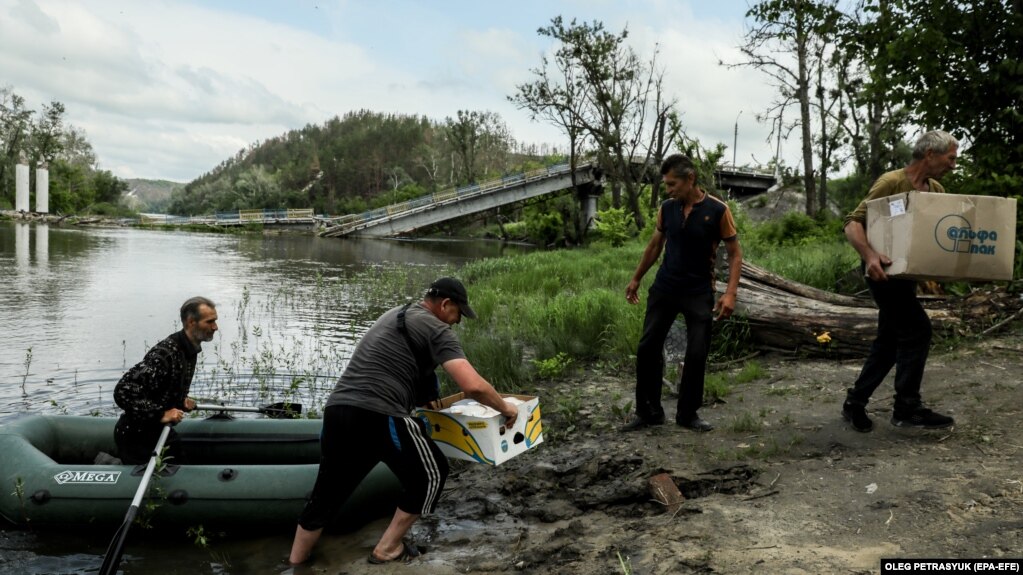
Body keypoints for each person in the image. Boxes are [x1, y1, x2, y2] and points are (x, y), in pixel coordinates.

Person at [288, 277, 519, 566]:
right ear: (445, 304)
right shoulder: (437, 329)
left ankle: (295, 563)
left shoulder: (395, 315)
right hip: (379, 413)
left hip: (337, 410)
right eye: (459, 313)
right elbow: (473, 385)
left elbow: (414, 378)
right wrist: (506, 408)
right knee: (432, 472)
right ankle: (387, 549)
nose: (458, 322)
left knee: (327, 494)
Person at [841, 130, 959, 432]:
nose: (953, 165)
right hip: (882, 272)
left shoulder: (936, 189)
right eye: (951, 158)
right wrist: (869, 256)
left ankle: (855, 403)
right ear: (930, 154)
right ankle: (907, 407)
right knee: (917, 329)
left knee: (891, 340)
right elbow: (853, 224)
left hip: (907, 276)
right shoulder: (892, 183)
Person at [622, 154, 743, 432]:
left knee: (697, 352)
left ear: (690, 179)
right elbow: (655, 245)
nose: (669, 189)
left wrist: (730, 294)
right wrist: (636, 278)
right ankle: (649, 412)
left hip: (699, 290)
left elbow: (735, 255)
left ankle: (688, 414)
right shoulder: (667, 208)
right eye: (666, 184)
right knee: (647, 347)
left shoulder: (718, 210)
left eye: (672, 183)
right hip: (665, 287)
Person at [113, 296, 218, 464]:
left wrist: (179, 401)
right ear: (191, 322)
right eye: (210, 322)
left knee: (182, 468)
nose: (215, 327)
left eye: (215, 321)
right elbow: (124, 391)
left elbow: (157, 389)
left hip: (157, 430)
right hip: (137, 436)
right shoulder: (165, 354)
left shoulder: (189, 349)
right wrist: (160, 414)